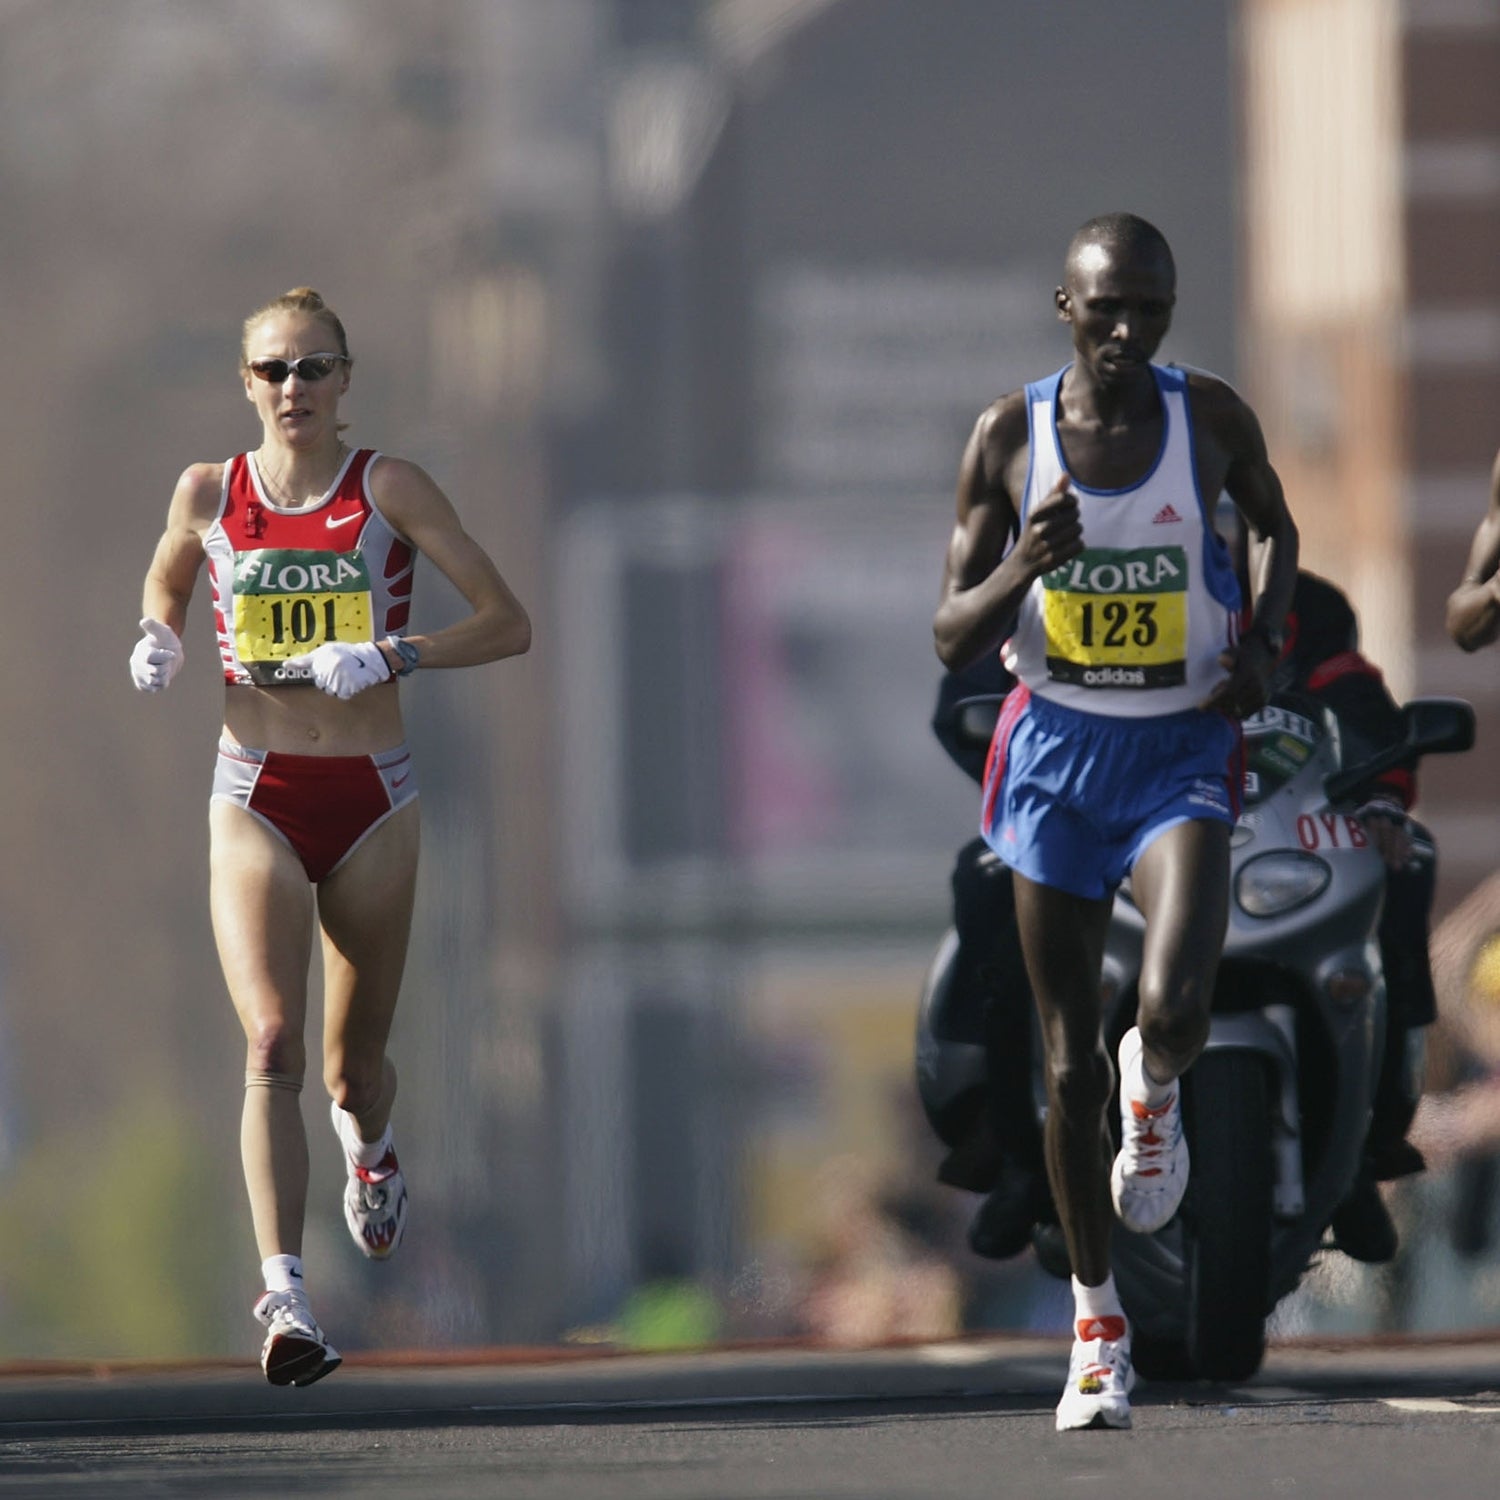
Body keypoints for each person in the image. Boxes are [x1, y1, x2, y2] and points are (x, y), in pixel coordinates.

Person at [933, 214, 1299, 1432]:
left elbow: (1278, 530)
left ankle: (1163, 1090)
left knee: (1175, 1005)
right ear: (1065, 309)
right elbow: (949, 633)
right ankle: (1097, 1332)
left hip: (1181, 743)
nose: (1131, 332)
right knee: (1064, 1064)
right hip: (1054, 756)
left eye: (1152, 307)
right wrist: (1022, 569)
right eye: (1109, 311)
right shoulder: (1010, 434)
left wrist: (1261, 646)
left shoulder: (1212, 421)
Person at [130, 288, 531, 1386]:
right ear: (245, 384)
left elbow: (508, 622)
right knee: (270, 1042)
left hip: (374, 795)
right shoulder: (211, 490)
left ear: (347, 379)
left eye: (314, 369)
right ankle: (287, 1297)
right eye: (273, 371)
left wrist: (396, 655)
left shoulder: (387, 488)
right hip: (253, 788)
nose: (294, 390)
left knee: (353, 1073)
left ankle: (373, 1151)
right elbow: (171, 571)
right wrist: (159, 636)